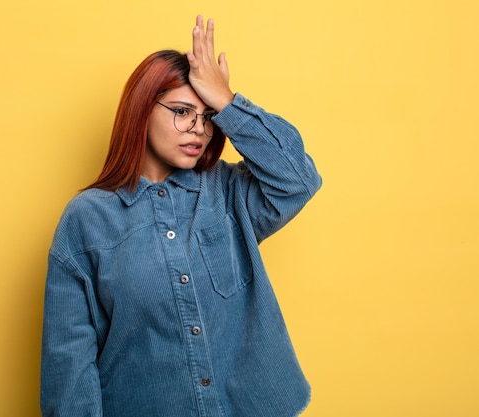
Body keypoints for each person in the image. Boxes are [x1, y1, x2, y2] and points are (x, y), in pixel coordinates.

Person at [41, 15, 322, 417]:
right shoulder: (86, 221)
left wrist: (227, 102)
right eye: (182, 111)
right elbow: (68, 368)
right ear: (141, 110)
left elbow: (298, 180)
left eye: (207, 117)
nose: (198, 129)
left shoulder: (227, 191)